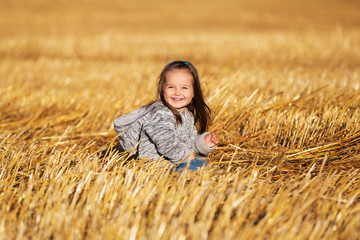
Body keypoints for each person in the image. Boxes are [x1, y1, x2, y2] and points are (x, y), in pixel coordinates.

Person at [113, 61, 218, 172]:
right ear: (162, 89)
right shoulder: (161, 113)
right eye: (171, 87)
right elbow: (165, 141)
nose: (177, 92)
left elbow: (187, 145)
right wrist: (185, 156)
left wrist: (202, 143)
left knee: (203, 162)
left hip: (174, 161)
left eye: (184, 88)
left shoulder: (187, 115)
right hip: (158, 165)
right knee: (198, 166)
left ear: (194, 93)